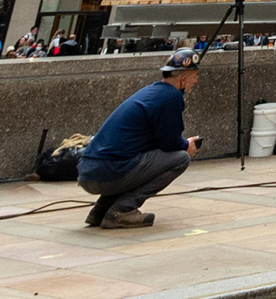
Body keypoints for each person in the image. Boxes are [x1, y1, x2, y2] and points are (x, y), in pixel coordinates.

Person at [75, 49, 203, 229]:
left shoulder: (151, 91)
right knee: (180, 159)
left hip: (88, 172)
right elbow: (170, 143)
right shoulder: (171, 97)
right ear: (183, 79)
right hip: (108, 172)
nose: (196, 81)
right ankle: (122, 211)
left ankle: (101, 210)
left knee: (135, 160)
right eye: (195, 76)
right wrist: (186, 146)